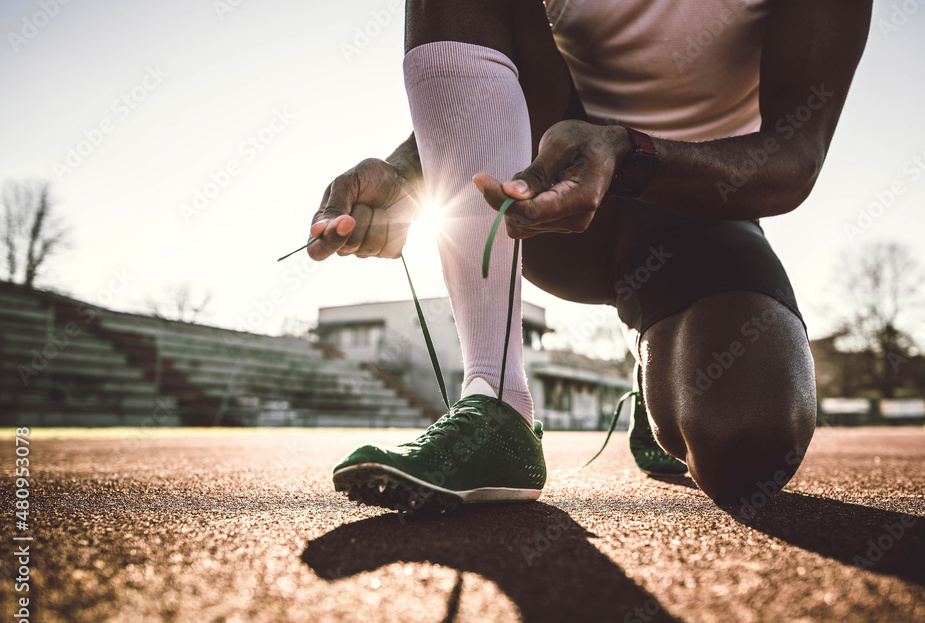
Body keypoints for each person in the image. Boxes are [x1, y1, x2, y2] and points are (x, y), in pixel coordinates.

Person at [307, 0, 873, 510]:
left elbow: (795, 156)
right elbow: (500, 67)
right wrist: (409, 175)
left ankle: (654, 349)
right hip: (548, 194)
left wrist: (628, 155)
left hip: (703, 204)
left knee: (746, 442)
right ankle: (495, 399)